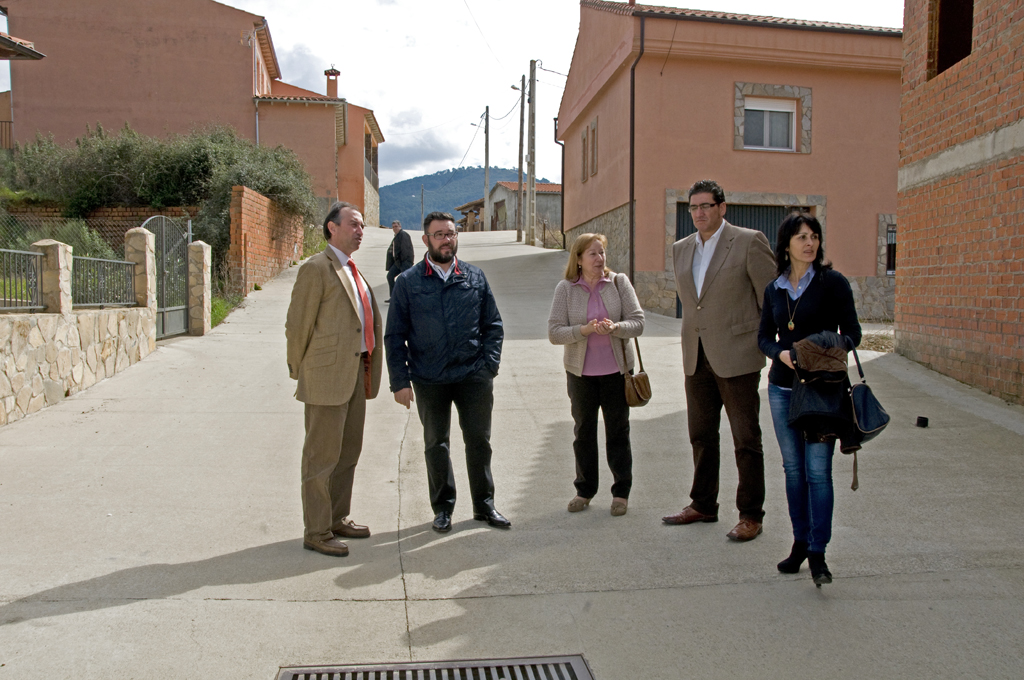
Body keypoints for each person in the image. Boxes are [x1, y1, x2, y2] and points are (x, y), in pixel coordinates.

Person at [664, 179, 777, 541]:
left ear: (722, 207)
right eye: (693, 207)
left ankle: (750, 515)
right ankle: (703, 504)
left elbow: (770, 299)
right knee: (700, 435)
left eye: (706, 206)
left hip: (738, 356)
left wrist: (764, 343)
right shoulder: (681, 248)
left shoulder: (748, 241)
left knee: (746, 438)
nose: (699, 213)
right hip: (696, 358)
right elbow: (694, 303)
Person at [384, 211, 509, 533]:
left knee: (479, 441)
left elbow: (493, 326)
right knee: (436, 444)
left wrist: (488, 366)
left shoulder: (475, 277)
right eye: (439, 234)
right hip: (429, 378)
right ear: (426, 240)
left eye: (451, 233)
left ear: (457, 237)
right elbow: (395, 336)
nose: (446, 239)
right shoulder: (408, 282)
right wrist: (400, 381)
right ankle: (443, 509)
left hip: (473, 377)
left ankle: (485, 506)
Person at [758, 212, 861, 586]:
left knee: (818, 472)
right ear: (786, 245)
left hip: (821, 391)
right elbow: (764, 337)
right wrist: (780, 354)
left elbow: (852, 334)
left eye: (814, 236)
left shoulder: (833, 284)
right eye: (801, 236)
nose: (809, 242)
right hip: (782, 387)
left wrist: (822, 349)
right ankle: (800, 542)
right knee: (794, 470)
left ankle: (818, 552)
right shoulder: (775, 288)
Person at [285, 201, 382, 557]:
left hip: (357, 372)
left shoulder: (353, 270)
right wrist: (302, 371)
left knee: (348, 452)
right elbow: (297, 326)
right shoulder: (316, 269)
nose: (360, 231)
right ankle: (316, 530)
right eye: (354, 224)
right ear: (332, 228)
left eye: (362, 226)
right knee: (320, 457)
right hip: (326, 377)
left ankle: (338, 517)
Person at [547, 233, 645, 516]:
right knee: (583, 432)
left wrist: (615, 328)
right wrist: (584, 330)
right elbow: (554, 333)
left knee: (618, 432)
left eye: (601, 252)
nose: (599, 259)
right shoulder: (565, 289)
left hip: (617, 372)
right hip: (581, 375)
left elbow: (637, 322)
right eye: (592, 253)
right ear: (578, 259)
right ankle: (585, 490)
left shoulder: (618, 282)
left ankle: (621, 493)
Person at [385, 219, 414, 302]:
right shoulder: (396, 237)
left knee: (406, 280)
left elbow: (405, 250)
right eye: (393, 227)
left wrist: (403, 264)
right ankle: (394, 297)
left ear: (400, 226)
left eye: (396, 226)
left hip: (404, 262)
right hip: (398, 263)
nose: (395, 228)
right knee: (390, 276)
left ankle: (409, 298)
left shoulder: (403, 235)